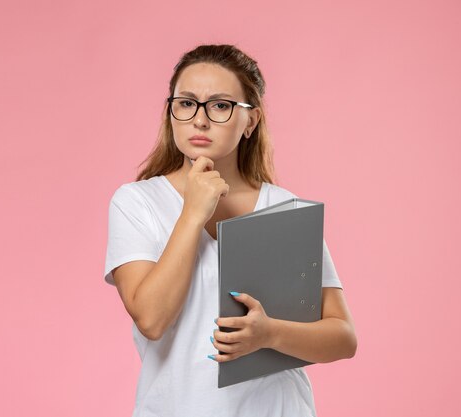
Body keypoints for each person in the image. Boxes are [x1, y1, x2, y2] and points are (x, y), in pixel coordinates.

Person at [103, 44, 357, 417]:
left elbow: (342, 337)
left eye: (220, 105)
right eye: (186, 103)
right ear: (170, 112)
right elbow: (151, 319)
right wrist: (192, 214)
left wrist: (269, 334)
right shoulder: (137, 202)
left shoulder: (285, 209)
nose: (200, 120)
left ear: (250, 121)